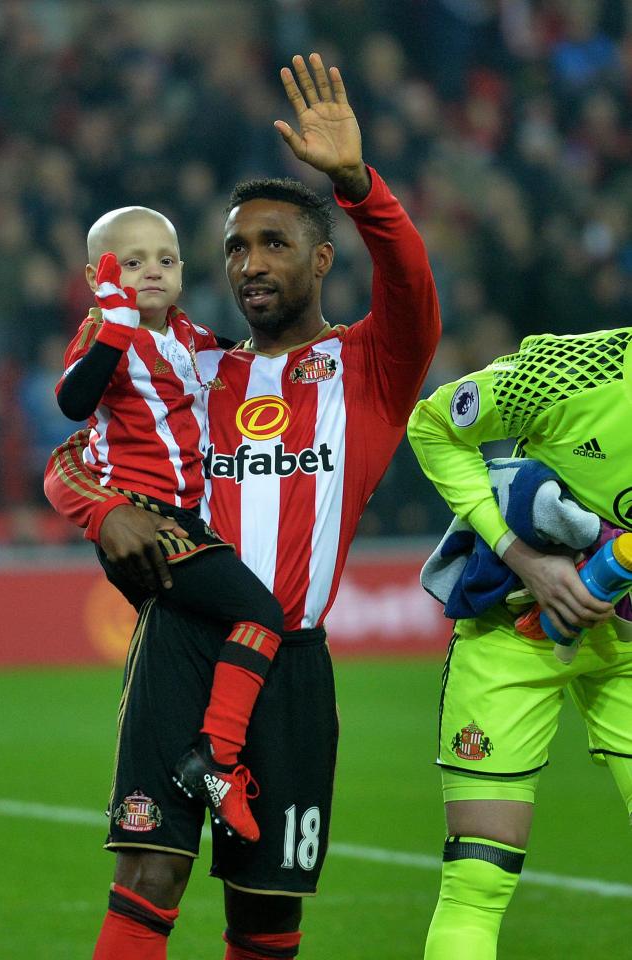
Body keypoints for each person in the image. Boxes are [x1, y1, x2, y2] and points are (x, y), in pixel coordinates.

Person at [45, 52, 440, 959]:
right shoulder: (192, 366)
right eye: (233, 246)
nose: (249, 262)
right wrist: (102, 512)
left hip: (291, 666)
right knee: (147, 873)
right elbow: (72, 457)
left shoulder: (368, 370)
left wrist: (357, 184)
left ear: (322, 258)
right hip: (184, 642)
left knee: (266, 915)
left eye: (273, 243)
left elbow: (415, 291)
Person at [54, 205, 285, 842]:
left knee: (201, 635)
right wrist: (114, 326)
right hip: (146, 520)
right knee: (262, 615)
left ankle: (173, 776)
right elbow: (74, 402)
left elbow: (240, 365)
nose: (151, 272)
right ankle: (215, 760)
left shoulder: (188, 335)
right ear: (99, 276)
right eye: (132, 263)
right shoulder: (105, 330)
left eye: (164, 259)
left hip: (189, 520)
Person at [406, 328, 632, 959]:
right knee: (478, 880)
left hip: (628, 647)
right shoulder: (574, 369)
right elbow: (433, 425)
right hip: (514, 625)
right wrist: (523, 556)